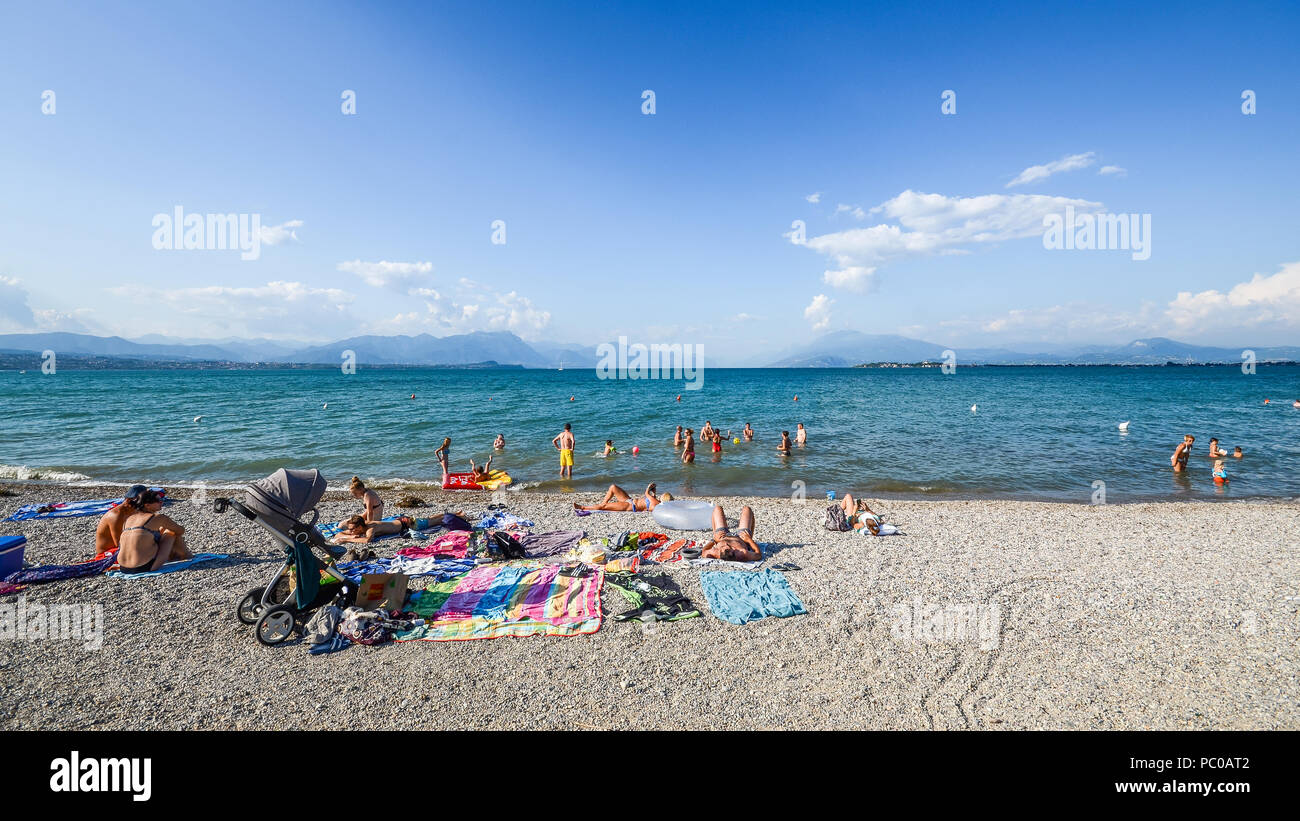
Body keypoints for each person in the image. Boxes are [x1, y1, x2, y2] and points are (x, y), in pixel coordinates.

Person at [115, 489, 193, 574]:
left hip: (123, 568)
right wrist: (164, 531)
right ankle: (186, 555)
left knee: (154, 534)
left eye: (162, 499)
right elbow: (180, 531)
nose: (161, 502)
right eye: (158, 500)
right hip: (143, 567)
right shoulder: (158, 517)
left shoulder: (129, 518)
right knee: (170, 532)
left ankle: (177, 555)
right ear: (147, 505)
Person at [95, 484, 150, 556]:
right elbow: (120, 544)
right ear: (129, 500)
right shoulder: (116, 516)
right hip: (107, 553)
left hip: (122, 547)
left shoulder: (132, 511)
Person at [574, 483, 671, 512]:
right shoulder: (656, 503)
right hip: (630, 500)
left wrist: (649, 487)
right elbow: (650, 498)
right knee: (613, 487)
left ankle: (582, 507)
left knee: (603, 507)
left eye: (662, 496)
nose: (661, 496)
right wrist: (654, 491)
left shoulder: (656, 505)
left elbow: (646, 493)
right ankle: (603, 503)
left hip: (629, 506)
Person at [333, 515, 416, 544]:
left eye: (352, 529)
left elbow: (367, 540)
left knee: (429, 522)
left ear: (360, 527)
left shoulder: (370, 528)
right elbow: (338, 534)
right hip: (398, 521)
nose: (350, 531)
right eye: (349, 529)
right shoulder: (356, 529)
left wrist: (348, 540)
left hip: (406, 523)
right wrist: (351, 537)